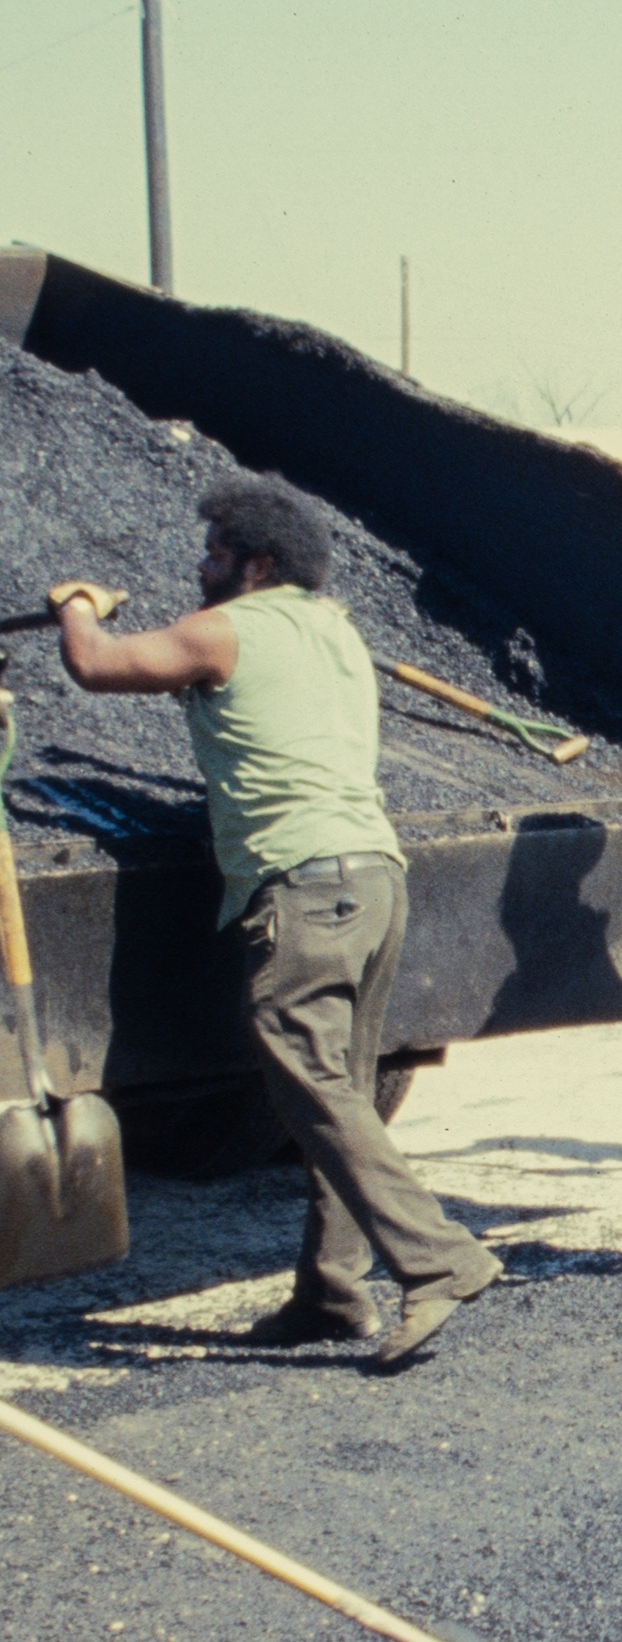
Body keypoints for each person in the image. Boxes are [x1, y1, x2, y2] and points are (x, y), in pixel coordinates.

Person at [49, 473, 503, 1368]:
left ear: (257, 564)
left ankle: (439, 1258)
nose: (202, 565)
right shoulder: (334, 630)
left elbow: (94, 664)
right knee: (340, 1090)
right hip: (375, 876)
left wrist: (75, 603)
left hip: (306, 885)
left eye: (216, 552)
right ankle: (331, 1293)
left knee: (309, 1084)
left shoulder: (223, 632)